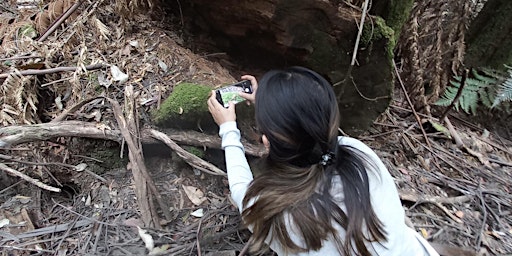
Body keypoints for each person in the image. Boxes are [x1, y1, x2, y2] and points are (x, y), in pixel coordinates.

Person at [207, 67, 439, 256]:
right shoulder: (360, 154)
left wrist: (228, 128)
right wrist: (275, 107)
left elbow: (240, 191)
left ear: (267, 142)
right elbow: (307, 131)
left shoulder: (276, 213)